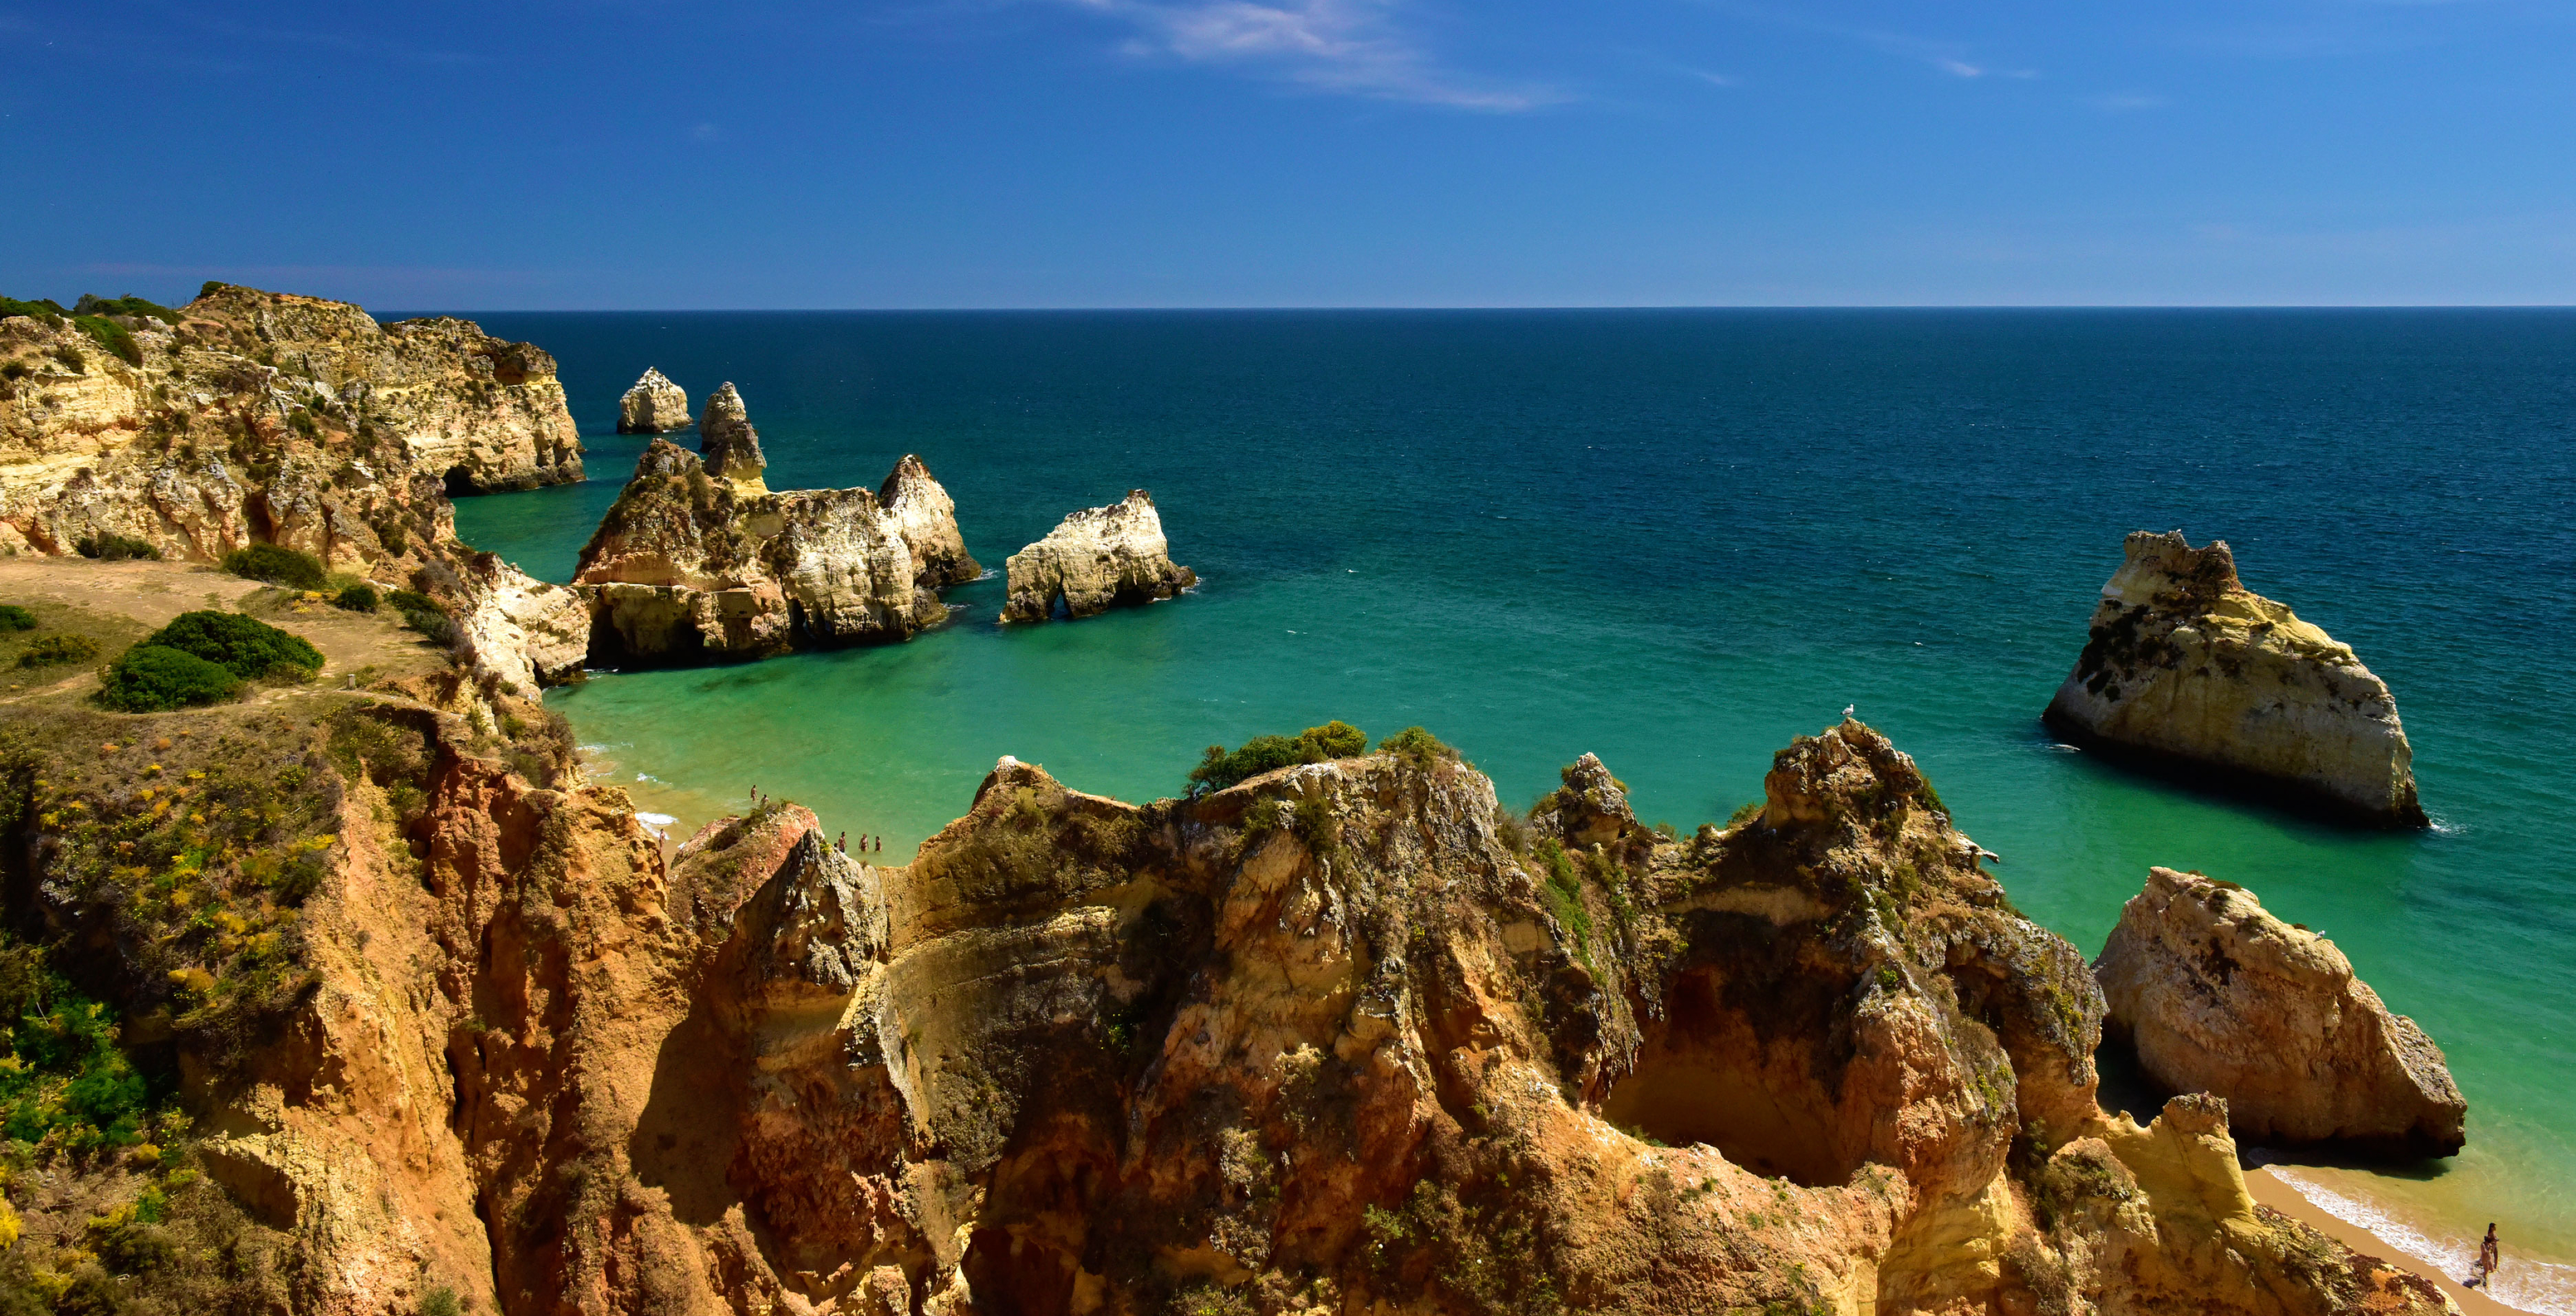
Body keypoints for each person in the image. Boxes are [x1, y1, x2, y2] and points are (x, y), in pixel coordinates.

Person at [2472, 1223, 2500, 1288]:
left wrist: (2491, 1247)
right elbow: (2484, 1252)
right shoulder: (2483, 1245)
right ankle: (2483, 1281)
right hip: (2485, 1260)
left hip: (2488, 1259)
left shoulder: (2488, 1244)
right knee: (2486, 1271)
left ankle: (2489, 1273)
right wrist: (2490, 1248)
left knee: (2491, 1269)